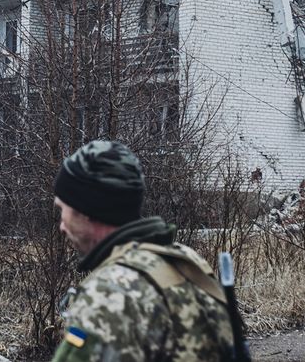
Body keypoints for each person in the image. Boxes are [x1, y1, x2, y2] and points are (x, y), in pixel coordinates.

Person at [50, 139, 235, 361]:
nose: (61, 225)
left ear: (85, 209)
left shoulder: (108, 293)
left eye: (62, 210)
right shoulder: (186, 261)